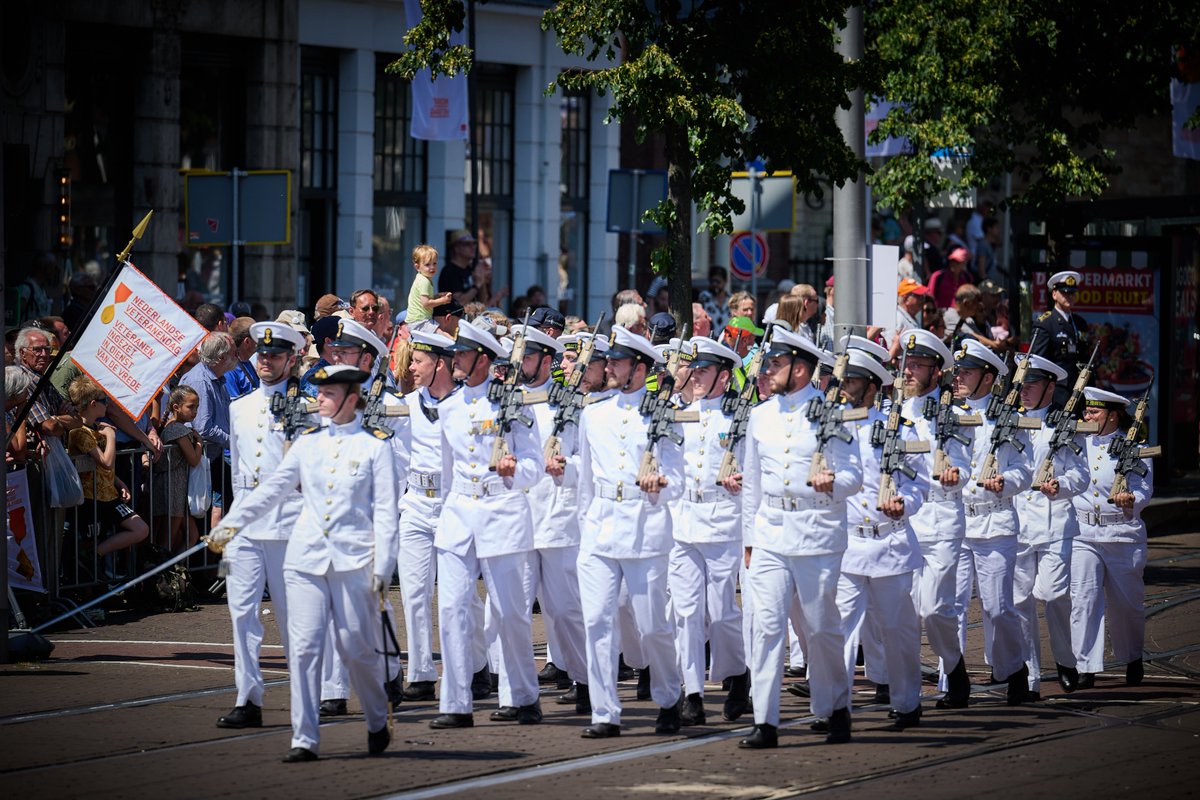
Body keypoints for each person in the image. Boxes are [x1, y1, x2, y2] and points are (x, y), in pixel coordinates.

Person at [207, 364, 399, 762]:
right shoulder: (308, 443)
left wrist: (383, 570)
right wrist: (232, 524)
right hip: (305, 559)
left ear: (350, 399)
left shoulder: (375, 446)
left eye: (329, 394)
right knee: (305, 648)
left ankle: (377, 717)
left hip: (353, 560)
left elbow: (385, 515)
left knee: (356, 648)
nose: (320, 399)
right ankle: (304, 737)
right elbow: (274, 488)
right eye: (320, 392)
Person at [739, 327, 862, 749]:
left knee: (821, 627)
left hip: (817, 533)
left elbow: (854, 474)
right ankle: (765, 720)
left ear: (800, 369)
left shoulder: (832, 413)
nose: (767, 371)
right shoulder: (760, 416)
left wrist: (833, 483)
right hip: (771, 532)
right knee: (766, 625)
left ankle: (835, 706)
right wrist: (750, 540)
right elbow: (752, 484)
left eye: (776, 364)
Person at [430, 320, 544, 729]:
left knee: (509, 614)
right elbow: (447, 473)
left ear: (483, 359)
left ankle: (524, 695)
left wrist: (515, 471)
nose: (455, 360)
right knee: (451, 608)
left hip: (501, 511)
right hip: (459, 515)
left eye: (462, 354)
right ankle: (456, 703)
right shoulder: (448, 408)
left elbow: (535, 465)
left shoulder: (513, 404)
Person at [575, 326, 686, 738]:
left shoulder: (662, 413)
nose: (609, 367)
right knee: (597, 622)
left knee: (652, 625)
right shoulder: (593, 413)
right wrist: (585, 529)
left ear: (639, 368)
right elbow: (585, 481)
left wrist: (662, 483)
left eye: (618, 362)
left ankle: (669, 696)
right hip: (600, 529)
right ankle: (605, 711)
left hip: (646, 528)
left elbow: (679, 476)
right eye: (609, 361)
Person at [214, 322, 311, 732]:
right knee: (241, 612)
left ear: (291, 359)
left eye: (275, 355)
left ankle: (305, 696)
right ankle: (247, 697)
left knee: (293, 617)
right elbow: (238, 472)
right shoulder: (240, 407)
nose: (266, 361)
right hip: (246, 524)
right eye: (262, 355)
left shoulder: (306, 408)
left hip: (289, 523)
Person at [396, 329, 490, 702]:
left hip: (454, 505)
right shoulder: (405, 405)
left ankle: (478, 666)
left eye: (418, 361)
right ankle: (420, 674)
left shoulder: (465, 404)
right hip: (416, 503)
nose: (411, 367)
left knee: (463, 595)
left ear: (439, 364)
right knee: (414, 592)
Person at [836, 348, 927, 729]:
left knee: (897, 630)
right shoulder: (832, 426)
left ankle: (906, 703)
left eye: (852, 381)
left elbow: (920, 484)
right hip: (846, 544)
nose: (843, 387)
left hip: (889, 543)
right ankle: (834, 707)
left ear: (872, 388)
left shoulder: (899, 429)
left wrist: (903, 504)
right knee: (839, 629)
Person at [670, 337, 751, 725]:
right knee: (686, 612)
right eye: (695, 370)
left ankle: (738, 673)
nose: (696, 377)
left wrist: (742, 481)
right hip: (683, 521)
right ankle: (693, 692)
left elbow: (756, 470)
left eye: (704, 371)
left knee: (720, 613)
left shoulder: (741, 417)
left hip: (722, 521)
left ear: (724, 375)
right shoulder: (679, 413)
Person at [952, 339, 1034, 705]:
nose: (958, 377)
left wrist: (1007, 482)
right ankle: (953, 682)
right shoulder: (947, 414)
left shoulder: (1008, 418)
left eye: (967, 372)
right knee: (951, 608)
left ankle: (1014, 669)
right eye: (958, 371)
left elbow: (1025, 469)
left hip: (995, 522)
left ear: (987, 378)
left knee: (998, 607)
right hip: (956, 524)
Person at [899, 329, 975, 709]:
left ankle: (954, 666)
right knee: (905, 612)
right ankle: (905, 693)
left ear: (936, 371)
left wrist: (954, 475)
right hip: (906, 520)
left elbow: (965, 464)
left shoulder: (956, 416)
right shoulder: (895, 412)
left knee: (933, 608)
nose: (909, 371)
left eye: (917, 365)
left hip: (942, 519)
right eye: (907, 364)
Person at [1013, 354, 1088, 699]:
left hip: (1054, 518)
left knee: (1054, 594)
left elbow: (1080, 474)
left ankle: (1065, 658)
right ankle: (1029, 678)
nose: (1024, 391)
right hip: (1018, 521)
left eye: (1032, 385)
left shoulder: (1065, 424)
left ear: (1050, 386)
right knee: (1019, 601)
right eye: (1022, 384)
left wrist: (1062, 485)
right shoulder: (1009, 420)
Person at [1070, 387, 1154, 690]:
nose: (1087, 416)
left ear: (1113, 416)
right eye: (1086, 411)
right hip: (1082, 534)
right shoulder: (1076, 443)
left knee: (1126, 605)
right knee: (1083, 600)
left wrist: (1132, 500)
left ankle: (1132, 656)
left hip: (1122, 534)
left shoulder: (1135, 445)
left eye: (1094, 412)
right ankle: (1085, 666)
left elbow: (1144, 487)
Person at [66, 377, 150, 573]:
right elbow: (106, 462)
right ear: (93, 404)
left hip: (108, 494)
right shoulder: (79, 432)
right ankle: (90, 568)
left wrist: (118, 483)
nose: (108, 405)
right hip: (91, 498)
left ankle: (94, 554)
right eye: (104, 400)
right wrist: (111, 436)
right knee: (91, 539)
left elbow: (104, 467)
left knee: (141, 529)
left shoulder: (98, 428)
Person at [180, 332, 237, 527]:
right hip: (200, 458)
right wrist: (233, 442)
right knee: (202, 512)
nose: (236, 357)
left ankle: (216, 544)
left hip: (213, 456)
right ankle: (206, 546)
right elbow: (203, 427)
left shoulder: (217, 379)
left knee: (224, 504)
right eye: (233, 353)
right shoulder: (200, 381)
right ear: (221, 358)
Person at [152, 386, 203, 553]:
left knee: (192, 535)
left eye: (197, 407)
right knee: (167, 539)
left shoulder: (178, 427)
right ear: (176, 407)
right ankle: (164, 567)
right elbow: (194, 460)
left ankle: (176, 567)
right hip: (172, 487)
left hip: (178, 485)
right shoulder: (177, 429)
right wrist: (199, 443)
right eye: (190, 407)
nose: (195, 411)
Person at [1030, 271, 1090, 408]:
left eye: (1072, 293)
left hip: (1079, 388)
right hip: (1057, 390)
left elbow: (1084, 356)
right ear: (1054, 294)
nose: (1069, 296)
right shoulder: (1046, 322)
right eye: (1065, 293)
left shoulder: (1080, 323)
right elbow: (1038, 361)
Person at [408, 244, 453, 329]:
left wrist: (438, 296)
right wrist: (442, 300)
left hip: (417, 320)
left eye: (434, 263)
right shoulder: (424, 281)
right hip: (420, 321)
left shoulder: (422, 278)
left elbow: (424, 299)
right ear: (417, 267)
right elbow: (426, 303)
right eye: (427, 264)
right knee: (443, 335)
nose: (432, 267)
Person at [224, 317, 260, 401]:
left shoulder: (247, 362)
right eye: (257, 337)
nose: (260, 341)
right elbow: (234, 404)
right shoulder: (229, 369)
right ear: (247, 341)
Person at [698, 266, 731, 334]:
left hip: (727, 337)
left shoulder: (731, 300)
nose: (714, 284)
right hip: (709, 337)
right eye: (712, 281)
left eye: (718, 282)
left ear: (725, 281)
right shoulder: (704, 297)